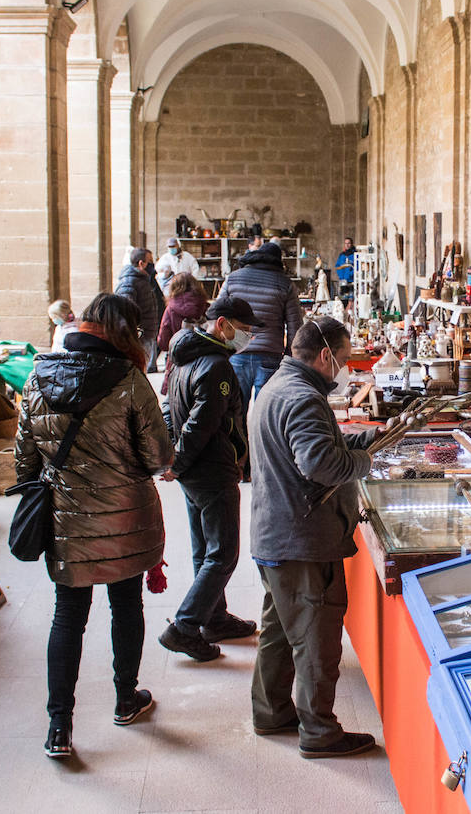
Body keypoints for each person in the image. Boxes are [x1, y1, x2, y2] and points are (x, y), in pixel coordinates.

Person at [14, 293, 173, 759]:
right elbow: (158, 457)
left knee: (68, 616)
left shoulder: (37, 377)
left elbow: (23, 460)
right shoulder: (129, 380)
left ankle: (59, 727)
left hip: (67, 522)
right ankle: (126, 700)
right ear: (124, 332)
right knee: (126, 606)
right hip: (125, 517)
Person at [248, 317, 377, 759]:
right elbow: (318, 464)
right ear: (325, 356)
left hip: (273, 534)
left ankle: (271, 711)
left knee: (280, 632)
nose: (342, 370)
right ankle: (319, 732)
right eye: (342, 361)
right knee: (316, 639)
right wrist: (362, 463)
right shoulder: (304, 397)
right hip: (301, 539)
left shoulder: (278, 385)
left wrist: (363, 441)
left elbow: (310, 447)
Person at [157, 296, 263, 663]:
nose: (247, 337)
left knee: (205, 550)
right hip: (212, 469)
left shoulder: (182, 358)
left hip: (193, 473)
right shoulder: (217, 366)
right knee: (223, 555)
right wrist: (179, 460)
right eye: (244, 329)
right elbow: (203, 423)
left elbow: (169, 408)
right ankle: (184, 628)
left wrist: (174, 459)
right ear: (222, 325)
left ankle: (214, 618)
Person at [218, 241, 303, 404]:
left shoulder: (233, 279)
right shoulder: (285, 284)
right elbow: (295, 326)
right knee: (265, 411)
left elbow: (217, 314)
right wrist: (289, 356)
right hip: (269, 354)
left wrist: (222, 346)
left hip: (236, 351)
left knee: (235, 409)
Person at [115, 247, 161, 371]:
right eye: (150, 261)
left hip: (146, 335)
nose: (153, 265)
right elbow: (125, 312)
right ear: (141, 263)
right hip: (138, 338)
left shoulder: (142, 279)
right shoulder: (129, 282)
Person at [156, 271, 209, 354]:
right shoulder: (205, 306)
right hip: (203, 355)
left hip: (178, 356)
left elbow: (163, 342)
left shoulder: (170, 309)